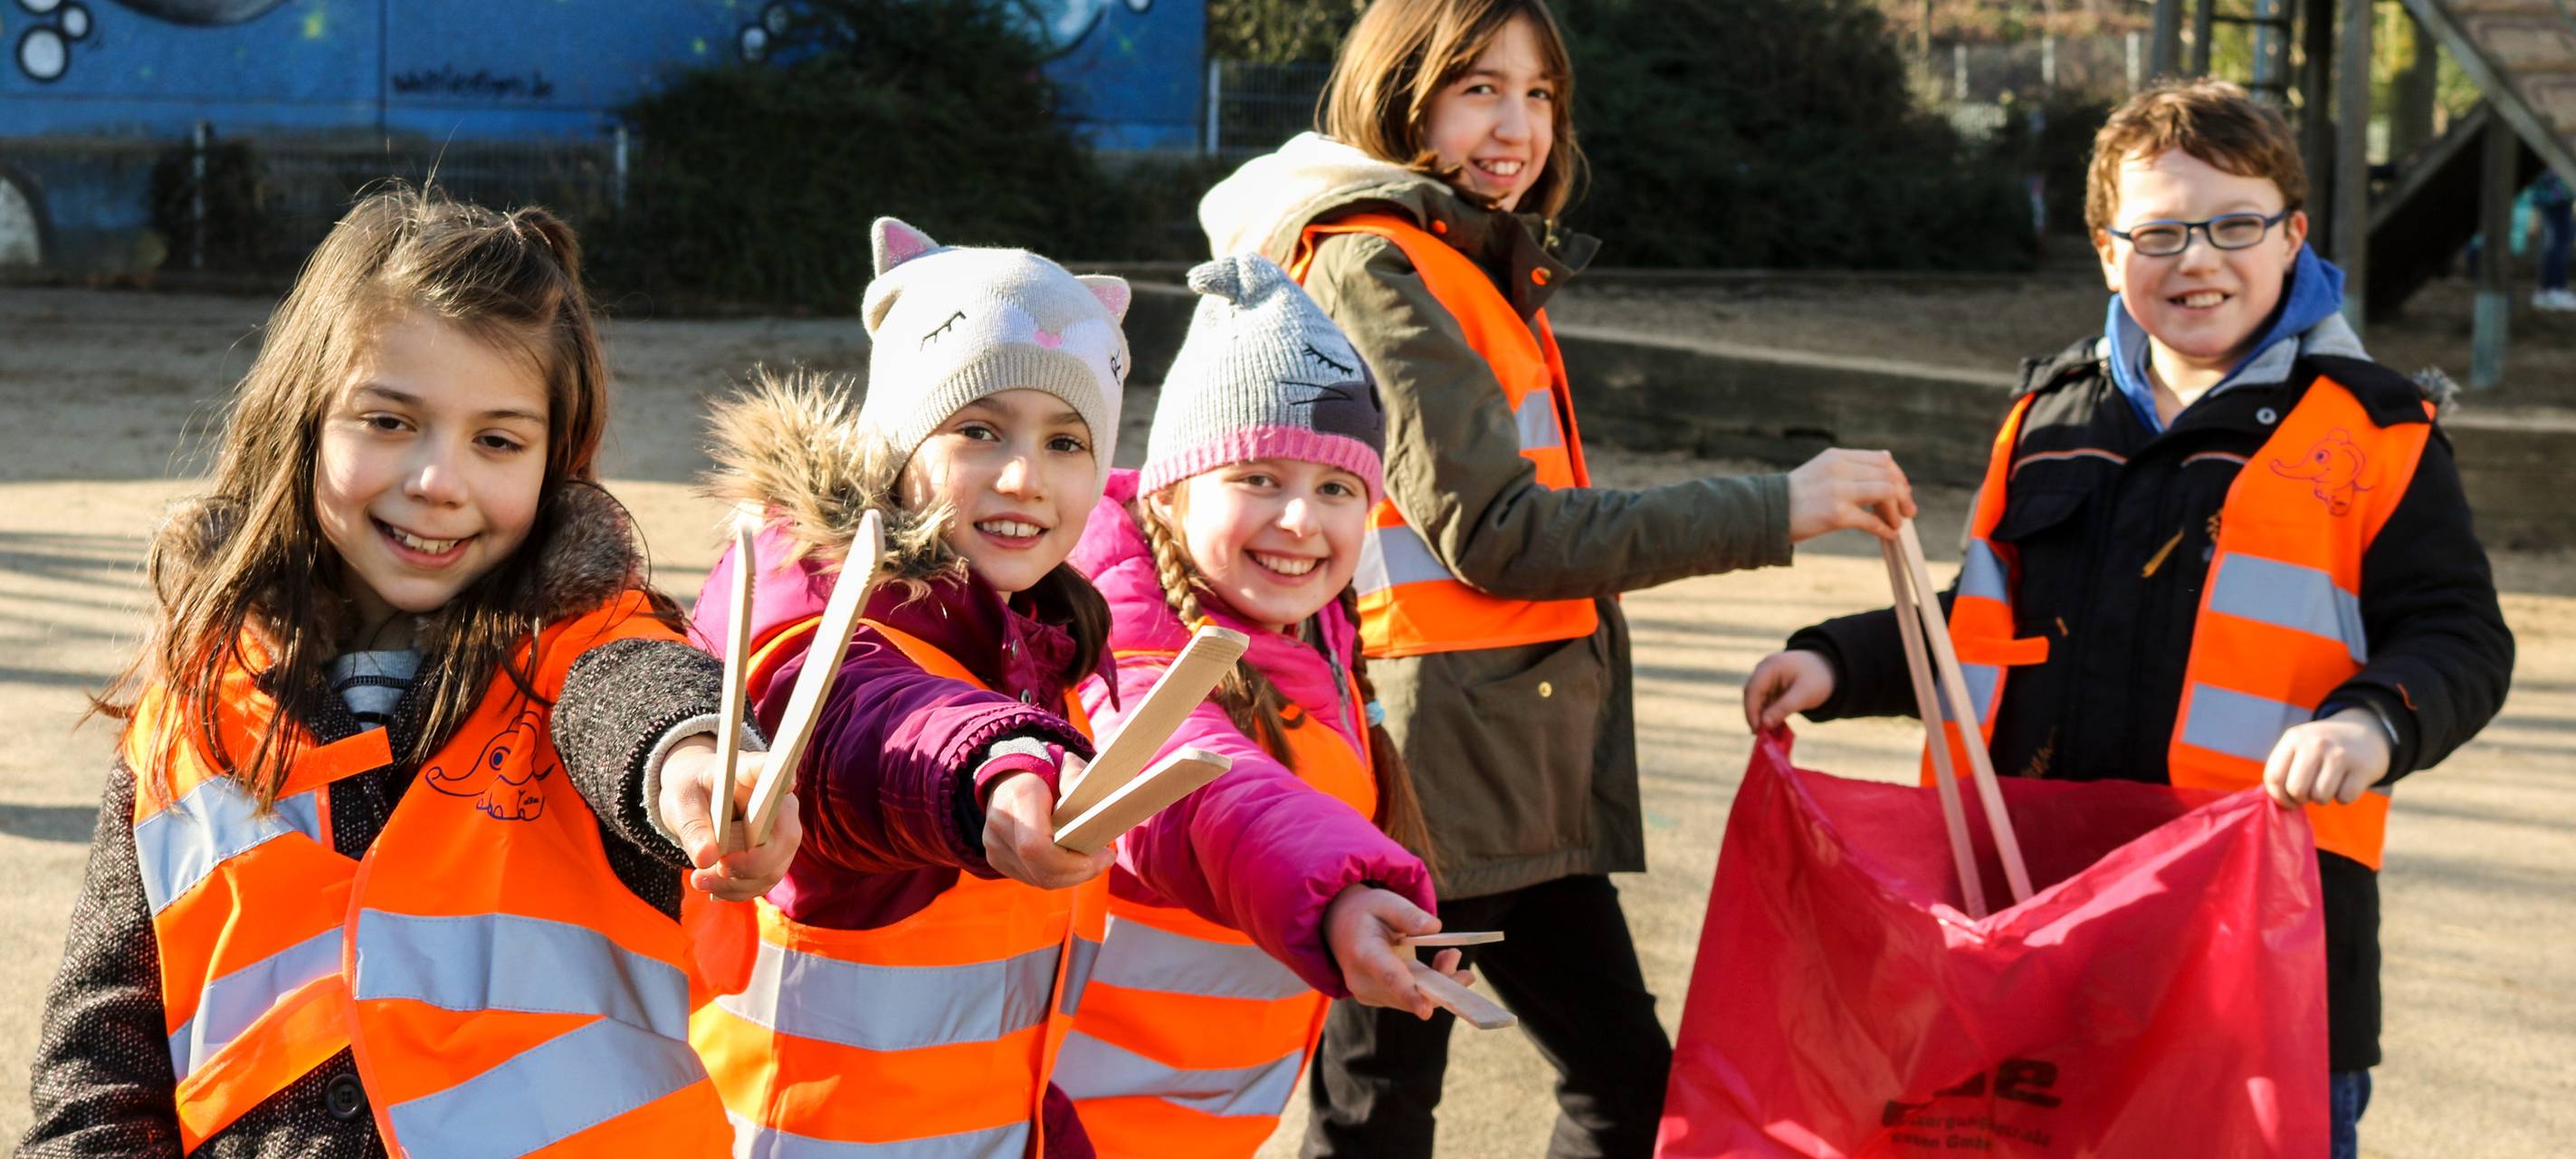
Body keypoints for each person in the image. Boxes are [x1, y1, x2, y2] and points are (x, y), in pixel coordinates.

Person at [1742, 80, 2515, 1159]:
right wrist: (1837, 660)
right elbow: (1987, 621)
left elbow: (2459, 636)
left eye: (2233, 225)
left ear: (2291, 237)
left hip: (2261, 952)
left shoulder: (2376, 429)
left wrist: (2368, 723)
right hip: (2036, 926)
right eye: (2156, 232)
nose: (2195, 258)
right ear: (2107, 252)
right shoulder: (2045, 416)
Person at [1197, 1, 1918, 1153]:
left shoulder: (1463, 259)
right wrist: (1775, 506)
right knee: (1388, 1103)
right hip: (1429, 774)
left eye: (1539, 96)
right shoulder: (1375, 262)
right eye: (1479, 87)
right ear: (1403, 92)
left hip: (1505, 756)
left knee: (1618, 1088)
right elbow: (1499, 531)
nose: (1516, 125)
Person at [23, 187, 797, 1158]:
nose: (438, 479)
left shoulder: (581, 652)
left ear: (560, 458)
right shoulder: (189, 716)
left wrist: (693, 763)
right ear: (302, 418)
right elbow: (102, 1065)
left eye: (498, 440)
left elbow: (638, 696)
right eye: (389, 422)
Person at [686, 217, 1129, 1158]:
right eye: (977, 429)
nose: (1024, 475)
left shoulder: (1039, 632)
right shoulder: (815, 598)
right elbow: (857, 727)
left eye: (1066, 440)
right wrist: (994, 766)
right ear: (893, 438)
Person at [1058, 254, 1469, 1157]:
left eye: (1335, 489)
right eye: (1257, 478)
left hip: (1202, 1114)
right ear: (1167, 491)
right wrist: (1332, 897)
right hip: (1082, 1113)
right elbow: (1194, 777)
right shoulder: (1121, 621)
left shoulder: (1316, 621)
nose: (1299, 521)